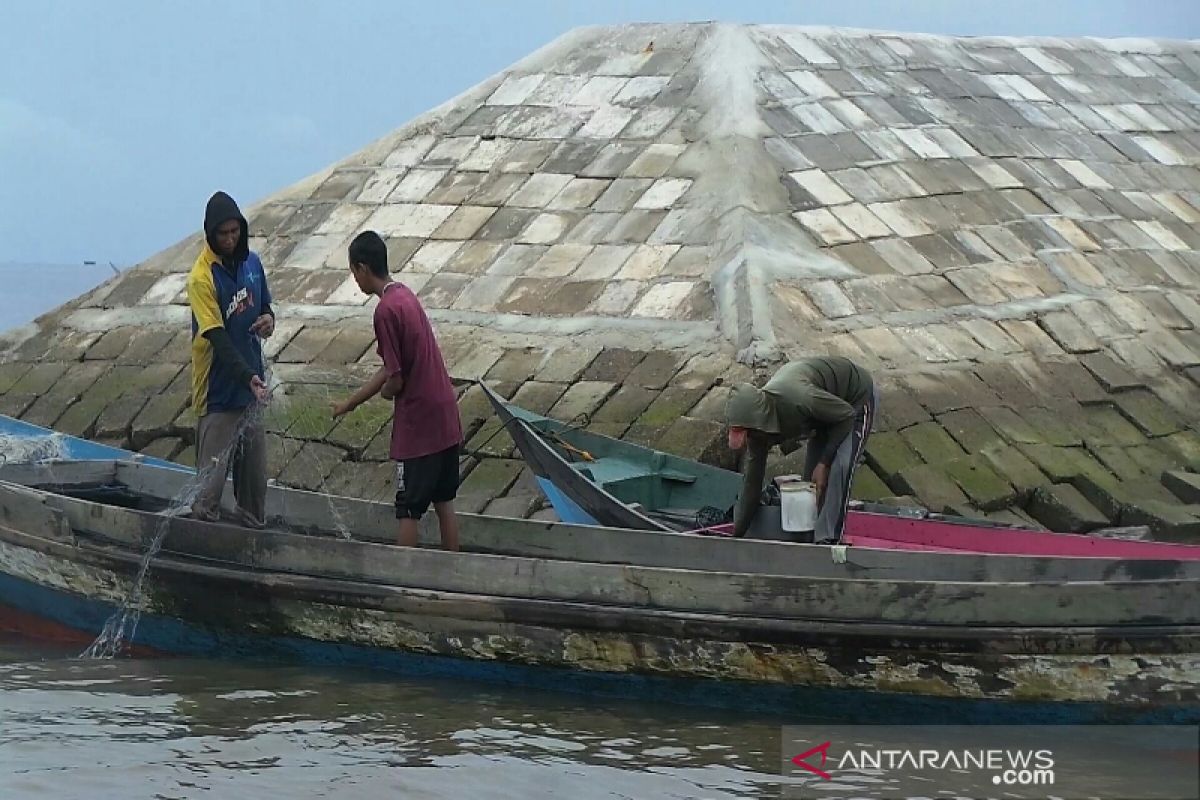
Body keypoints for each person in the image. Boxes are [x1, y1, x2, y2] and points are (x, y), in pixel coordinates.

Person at [332, 230, 462, 552]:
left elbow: (395, 379)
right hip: (445, 415)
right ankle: (454, 573)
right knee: (444, 501)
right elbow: (391, 366)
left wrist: (387, 394)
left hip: (419, 425)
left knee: (408, 509)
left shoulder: (385, 311)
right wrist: (351, 402)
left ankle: (403, 578)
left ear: (362, 269)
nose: (356, 281)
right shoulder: (406, 296)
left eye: (353, 273)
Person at [187, 190, 274, 528]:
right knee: (209, 485)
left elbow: (264, 306)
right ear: (210, 234)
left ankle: (252, 533)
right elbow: (216, 337)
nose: (229, 239)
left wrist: (269, 319)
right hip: (219, 393)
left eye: (234, 232)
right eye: (222, 234)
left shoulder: (252, 263)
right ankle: (201, 532)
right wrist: (246, 377)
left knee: (254, 483)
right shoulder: (201, 277)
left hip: (252, 390)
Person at [725, 356, 878, 542]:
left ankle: (829, 540)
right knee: (810, 486)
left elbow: (846, 415)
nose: (748, 439)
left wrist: (824, 463)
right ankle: (808, 540)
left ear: (758, 420)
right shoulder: (757, 433)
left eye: (746, 432)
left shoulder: (800, 398)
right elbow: (752, 482)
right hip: (823, 415)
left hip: (854, 403)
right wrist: (736, 535)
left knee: (840, 467)